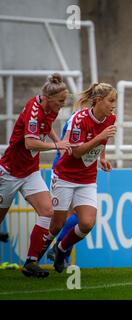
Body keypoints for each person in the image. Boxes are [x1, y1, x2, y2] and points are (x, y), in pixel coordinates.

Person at [0, 73, 71, 277]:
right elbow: (30, 142)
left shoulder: (50, 108)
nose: (62, 105)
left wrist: (59, 144)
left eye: (64, 101)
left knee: (48, 212)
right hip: (10, 172)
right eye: (60, 101)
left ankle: (31, 262)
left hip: (30, 171)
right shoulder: (34, 111)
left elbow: (46, 127)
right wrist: (57, 145)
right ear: (48, 98)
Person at [47, 82, 116, 273]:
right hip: (65, 170)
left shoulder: (109, 118)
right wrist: (99, 138)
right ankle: (43, 254)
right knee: (65, 218)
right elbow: (75, 152)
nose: (114, 105)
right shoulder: (79, 119)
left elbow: (103, 139)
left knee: (81, 219)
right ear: (99, 100)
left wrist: (102, 157)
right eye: (111, 100)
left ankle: (60, 250)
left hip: (85, 174)